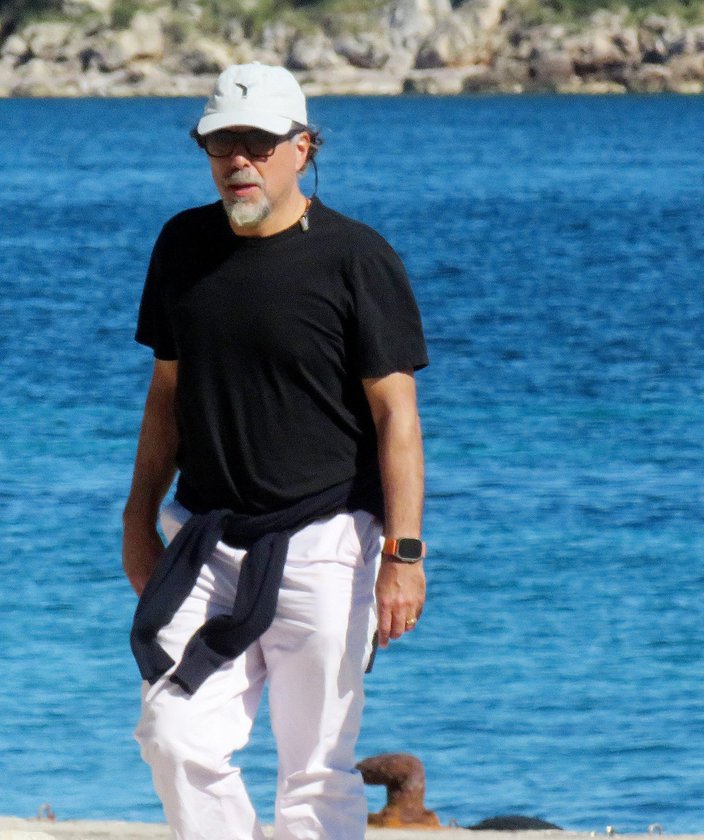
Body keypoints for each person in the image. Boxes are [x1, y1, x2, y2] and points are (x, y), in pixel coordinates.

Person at [122, 62, 429, 840]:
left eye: (258, 144)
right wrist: (136, 519)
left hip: (330, 545)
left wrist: (404, 552)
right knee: (173, 733)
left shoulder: (358, 259)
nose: (238, 162)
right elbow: (166, 396)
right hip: (210, 539)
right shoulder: (182, 244)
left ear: (303, 147)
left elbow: (397, 416)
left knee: (317, 772)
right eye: (222, 144)